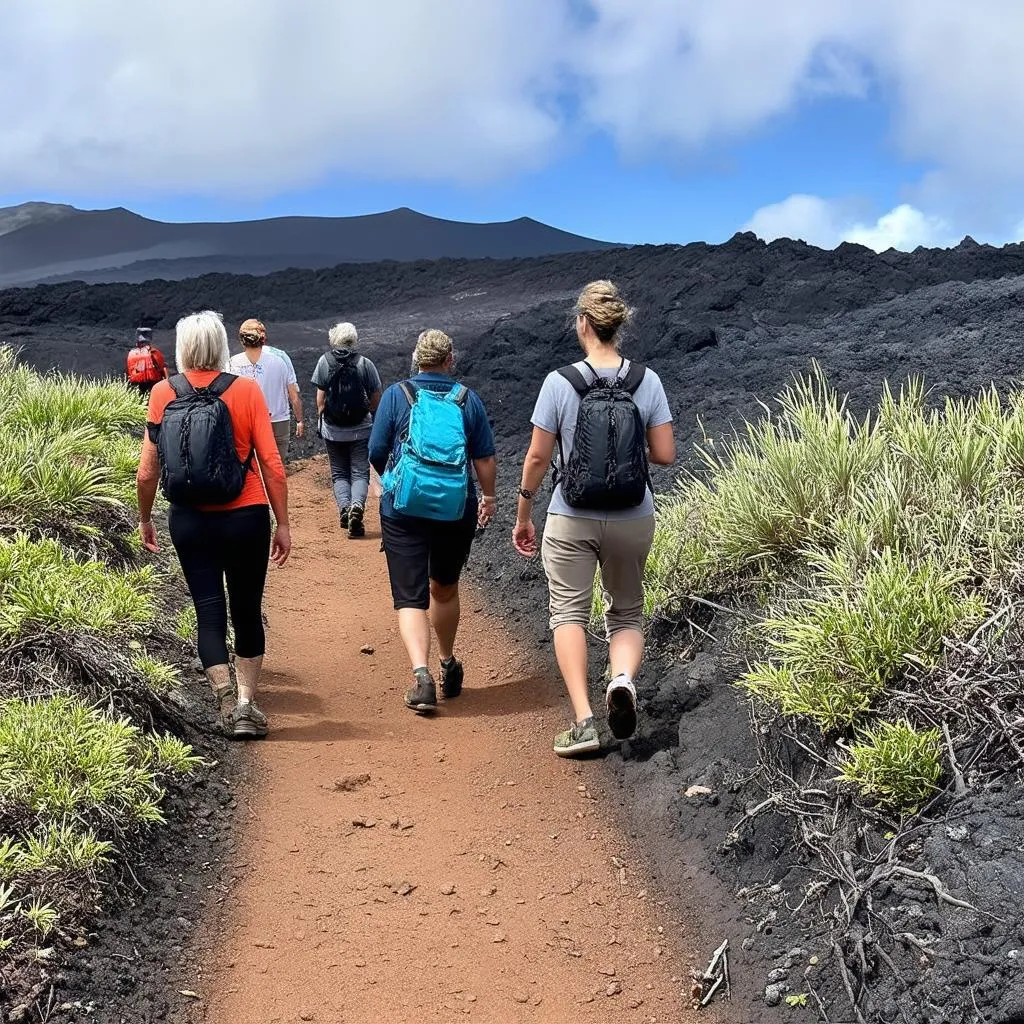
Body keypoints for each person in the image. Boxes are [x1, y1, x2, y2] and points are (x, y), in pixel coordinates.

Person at [512, 281, 676, 758]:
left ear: (581, 323)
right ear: (619, 325)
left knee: (568, 613)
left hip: (572, 514)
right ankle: (621, 680)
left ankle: (584, 721)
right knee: (626, 609)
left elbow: (538, 457)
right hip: (632, 514)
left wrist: (524, 510)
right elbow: (665, 454)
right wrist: (625, 453)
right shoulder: (648, 380)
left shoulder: (559, 382)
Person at [136, 311, 291, 739]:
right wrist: (283, 523)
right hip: (246, 516)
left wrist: (146, 518)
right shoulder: (246, 391)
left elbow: (147, 472)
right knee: (246, 609)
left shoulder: (163, 392)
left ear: (184, 348)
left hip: (189, 520)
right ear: (222, 346)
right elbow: (272, 465)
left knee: (208, 610)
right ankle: (246, 705)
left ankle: (223, 699)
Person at [369, 329, 496, 714]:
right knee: (444, 587)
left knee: (410, 596)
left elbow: (376, 450)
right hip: (454, 509)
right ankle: (447, 660)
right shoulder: (466, 399)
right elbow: (485, 458)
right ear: (449, 359)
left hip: (403, 508)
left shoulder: (396, 395)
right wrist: (488, 498)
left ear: (416, 359)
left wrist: (389, 482)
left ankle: (421, 676)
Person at [311, 322, 383, 538]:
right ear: (354, 340)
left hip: (333, 430)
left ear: (334, 340)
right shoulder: (365, 364)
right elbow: (376, 396)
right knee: (360, 472)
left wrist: (324, 420)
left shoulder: (324, 362)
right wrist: (366, 412)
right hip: (361, 429)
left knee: (339, 472)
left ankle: (344, 507)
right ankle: (357, 507)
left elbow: (320, 400)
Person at [229, 319, 304, 464]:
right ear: (263, 339)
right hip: (278, 423)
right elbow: (294, 395)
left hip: (246, 425)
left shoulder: (232, 364)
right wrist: (299, 420)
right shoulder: (281, 360)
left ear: (242, 340)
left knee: (252, 472)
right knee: (276, 471)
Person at [125, 327, 169, 395]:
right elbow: (162, 368)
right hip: (153, 386)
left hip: (136, 386)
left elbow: (129, 371)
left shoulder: (131, 354)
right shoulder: (155, 352)